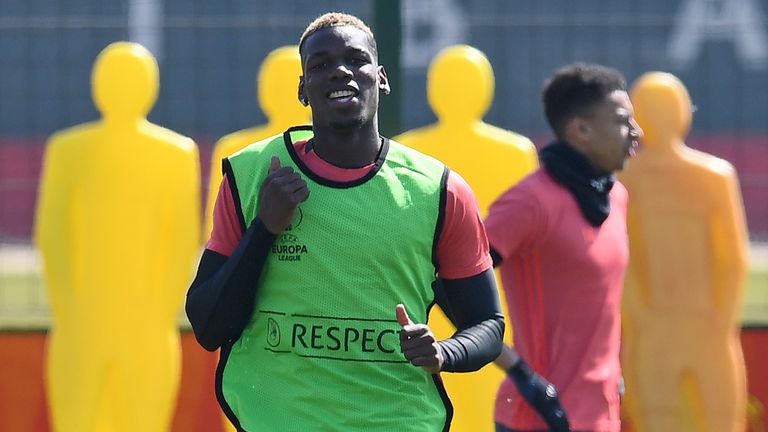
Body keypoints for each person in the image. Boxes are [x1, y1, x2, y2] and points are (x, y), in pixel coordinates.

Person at [185, 12, 504, 432]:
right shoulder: (252, 175)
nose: (340, 71)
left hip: (396, 421)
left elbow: (487, 326)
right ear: (302, 89)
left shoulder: (439, 190)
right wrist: (265, 227)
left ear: (381, 77)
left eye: (356, 60)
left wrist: (445, 352)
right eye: (320, 65)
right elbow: (208, 326)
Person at [485, 63, 643, 432]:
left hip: (601, 418)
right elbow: (451, 281)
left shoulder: (616, 197)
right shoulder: (530, 201)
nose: (636, 132)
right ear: (581, 129)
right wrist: (519, 372)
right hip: (535, 419)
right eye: (622, 121)